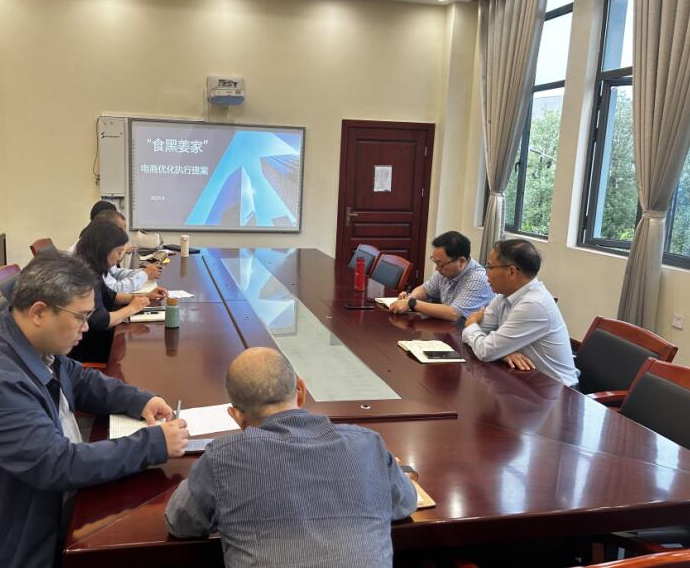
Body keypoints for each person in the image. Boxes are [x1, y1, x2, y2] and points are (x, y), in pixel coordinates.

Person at [0, 253, 189, 568]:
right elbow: (57, 464)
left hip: (24, 507)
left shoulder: (24, 339)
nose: (86, 327)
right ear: (39, 312)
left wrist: (139, 400)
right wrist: (153, 444)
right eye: (80, 317)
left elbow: (80, 379)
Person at [164, 347, 417, 568]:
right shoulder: (368, 444)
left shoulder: (222, 458)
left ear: (236, 416)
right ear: (301, 391)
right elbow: (405, 504)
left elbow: (180, 523)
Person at [462, 238, 579, 387]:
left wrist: (471, 324)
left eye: (490, 267)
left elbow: (485, 349)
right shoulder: (504, 295)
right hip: (526, 380)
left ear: (511, 271)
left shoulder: (533, 304)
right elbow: (481, 336)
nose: (486, 273)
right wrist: (503, 352)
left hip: (557, 391)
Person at [71, 221, 167, 363]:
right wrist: (132, 308)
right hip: (90, 350)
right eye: (118, 252)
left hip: (100, 338)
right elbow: (101, 321)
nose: (119, 258)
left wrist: (145, 296)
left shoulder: (92, 267)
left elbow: (111, 296)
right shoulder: (85, 276)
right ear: (104, 249)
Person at [389, 231, 494, 321]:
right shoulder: (445, 271)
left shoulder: (478, 279)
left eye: (440, 264)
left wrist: (412, 303)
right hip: (448, 331)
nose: (437, 268)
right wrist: (411, 297)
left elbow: (453, 313)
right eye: (435, 262)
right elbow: (424, 289)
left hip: (468, 335)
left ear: (461, 261)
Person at [70, 209, 163, 291]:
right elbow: (113, 289)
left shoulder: (97, 247)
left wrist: (143, 271)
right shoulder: (86, 256)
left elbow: (115, 273)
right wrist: (145, 275)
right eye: (120, 231)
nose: (122, 235)